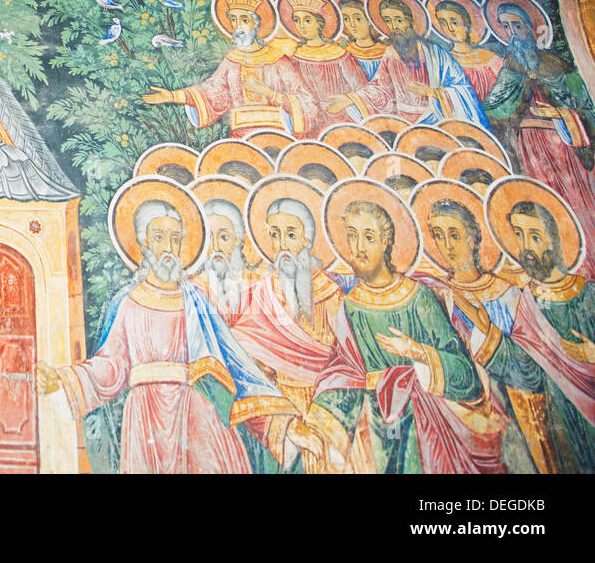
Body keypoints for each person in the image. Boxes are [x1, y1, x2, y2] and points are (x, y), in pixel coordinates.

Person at [36, 180, 320, 473]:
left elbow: (236, 366)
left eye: (175, 239)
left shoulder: (197, 301)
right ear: (143, 243)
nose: (168, 248)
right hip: (146, 421)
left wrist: (282, 425)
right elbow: (111, 366)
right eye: (159, 238)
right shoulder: (129, 303)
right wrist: (65, 380)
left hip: (199, 418)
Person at [306, 181, 503, 473]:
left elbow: (466, 375)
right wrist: (317, 425)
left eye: (369, 237)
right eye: (352, 236)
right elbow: (343, 371)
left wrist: (419, 353)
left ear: (387, 242)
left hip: (427, 423)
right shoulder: (351, 305)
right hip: (376, 427)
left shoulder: (418, 297)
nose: (358, 248)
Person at [418, 185, 595, 472]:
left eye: (455, 235)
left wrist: (487, 331)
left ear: (475, 238)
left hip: (532, 410)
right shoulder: (437, 295)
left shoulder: (513, 294)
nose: (447, 246)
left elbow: (531, 363)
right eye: (438, 236)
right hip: (475, 410)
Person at [234, 180, 348, 462]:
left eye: (291, 234)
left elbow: (349, 360)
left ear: (307, 239)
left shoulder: (330, 294)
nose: (282, 244)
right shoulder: (263, 293)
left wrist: (324, 411)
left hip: (328, 406)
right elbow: (250, 367)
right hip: (280, 411)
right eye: (275, 235)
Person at [483, 0, 595, 276]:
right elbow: (495, 107)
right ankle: (558, 262)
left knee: (574, 199)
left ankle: (588, 257)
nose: (512, 34)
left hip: (563, 146)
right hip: (528, 150)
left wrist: (560, 114)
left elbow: (586, 107)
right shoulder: (510, 69)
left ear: (532, 28)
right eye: (506, 28)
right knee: (542, 206)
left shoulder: (554, 64)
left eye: (517, 26)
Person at [143, 0, 318, 138]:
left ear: (256, 24)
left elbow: (308, 102)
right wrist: (172, 96)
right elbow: (211, 91)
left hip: (278, 134)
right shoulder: (232, 61)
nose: (238, 26)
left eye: (244, 20)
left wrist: (271, 94)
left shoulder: (278, 61)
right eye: (233, 20)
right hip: (240, 136)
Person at [327, 0, 489, 129]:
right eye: (388, 21)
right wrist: (351, 99)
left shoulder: (435, 53)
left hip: (436, 117)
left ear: (410, 21)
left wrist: (432, 92)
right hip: (402, 122)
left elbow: (461, 87)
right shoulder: (390, 53)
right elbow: (381, 88)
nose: (394, 27)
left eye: (399, 20)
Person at [278, 0, 369, 134]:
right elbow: (292, 94)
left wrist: (347, 100)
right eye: (297, 20)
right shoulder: (295, 59)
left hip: (342, 118)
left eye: (307, 20)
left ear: (319, 23)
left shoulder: (340, 55)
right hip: (311, 120)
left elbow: (362, 88)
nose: (301, 26)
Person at [428, 0, 502, 104]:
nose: (450, 29)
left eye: (454, 22)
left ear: (466, 23)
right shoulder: (443, 61)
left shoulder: (491, 59)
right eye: (443, 23)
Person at [334, 0, 386, 79]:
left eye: (358, 19)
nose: (352, 24)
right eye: (346, 19)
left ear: (369, 21)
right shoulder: (345, 53)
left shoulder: (385, 51)